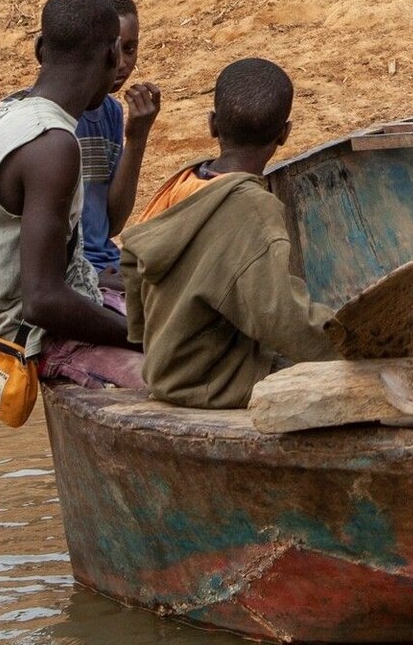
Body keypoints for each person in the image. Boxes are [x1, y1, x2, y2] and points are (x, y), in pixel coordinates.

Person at [0, 0, 143, 386]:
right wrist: (142, 338)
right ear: (111, 54)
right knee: (191, 369)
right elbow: (42, 301)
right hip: (29, 340)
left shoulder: (9, 113)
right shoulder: (53, 145)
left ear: (40, 49)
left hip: (12, 319)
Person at [121, 58, 331, 408]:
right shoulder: (253, 208)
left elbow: (131, 261)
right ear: (285, 134)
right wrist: (363, 346)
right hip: (217, 387)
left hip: (164, 374)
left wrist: (149, 341)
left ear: (213, 124)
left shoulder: (182, 184)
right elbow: (280, 317)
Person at [73, 0, 160, 292]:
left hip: (104, 262)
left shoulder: (110, 112)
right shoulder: (55, 116)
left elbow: (113, 223)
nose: (123, 63)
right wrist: (91, 279)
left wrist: (137, 139)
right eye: (114, 48)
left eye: (131, 48)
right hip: (72, 275)